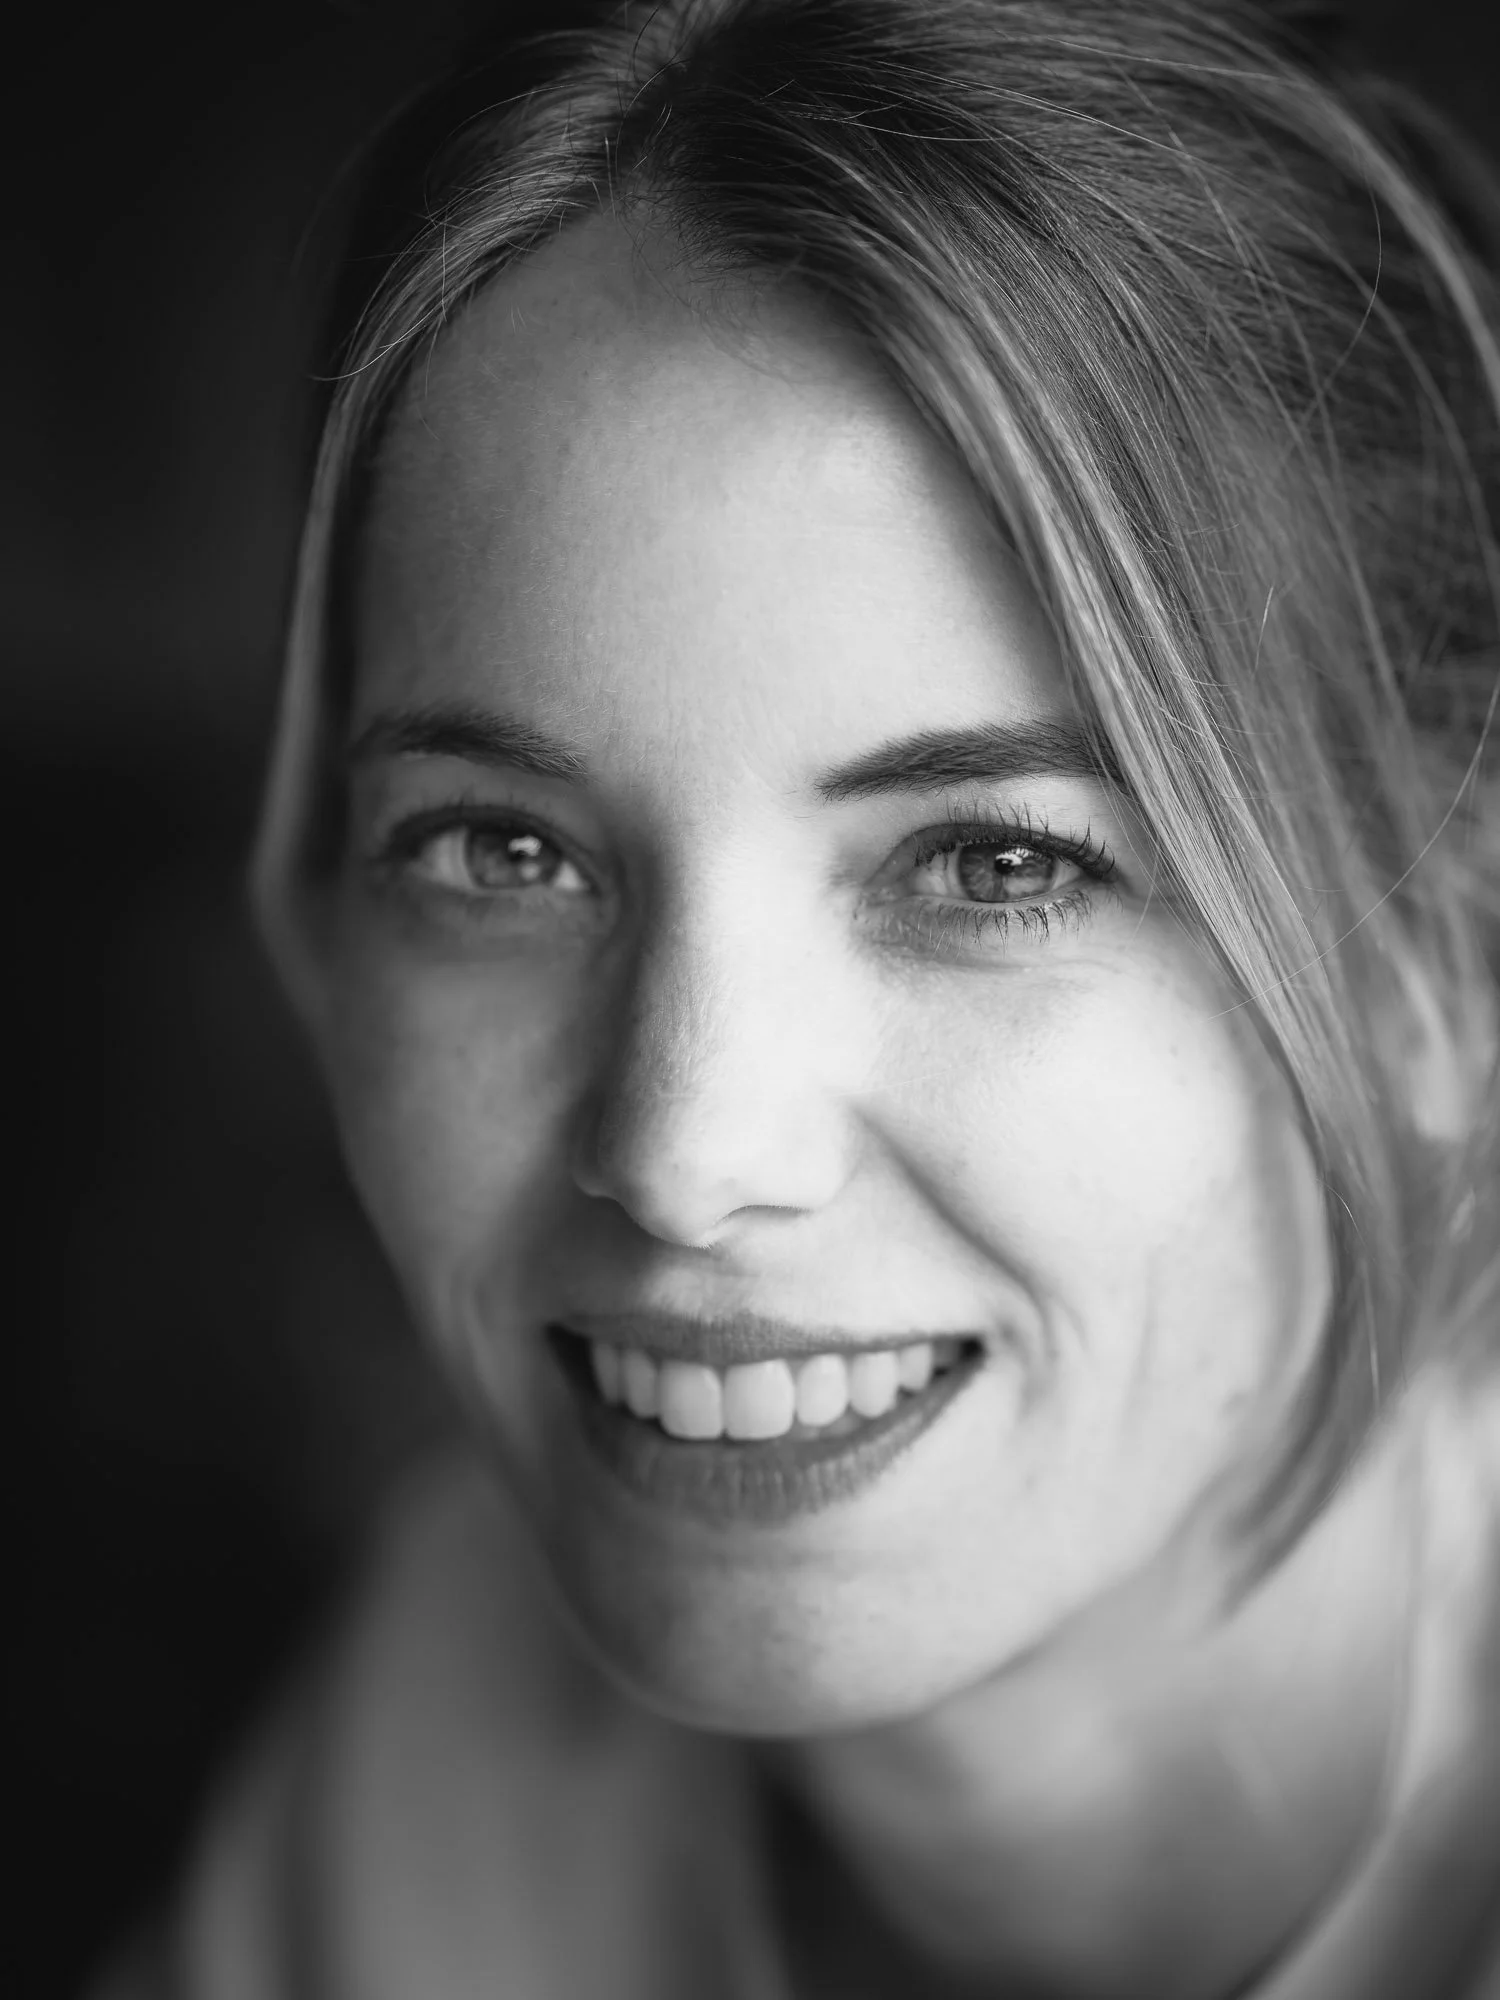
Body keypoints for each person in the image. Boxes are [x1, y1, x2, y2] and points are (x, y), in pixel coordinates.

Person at [104, 0, 1500, 1993]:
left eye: (996, 865)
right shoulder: (445, 1739)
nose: (685, 1156)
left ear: (1447, 953)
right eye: (501, 850)